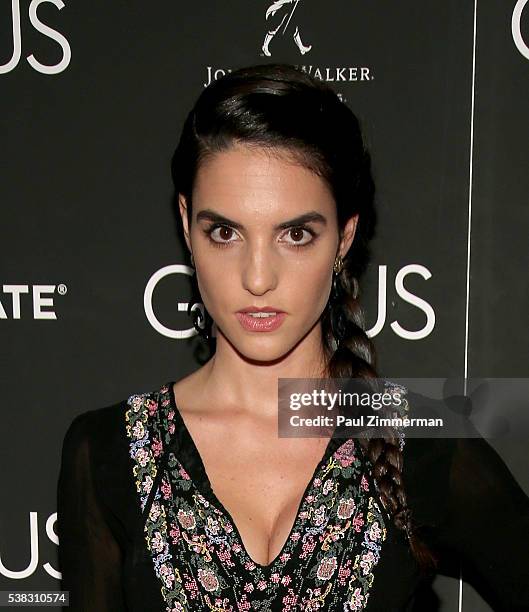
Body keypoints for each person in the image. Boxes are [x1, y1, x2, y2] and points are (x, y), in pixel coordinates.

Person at [56, 63, 529, 611]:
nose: (258, 278)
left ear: (344, 237)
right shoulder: (106, 451)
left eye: (296, 234)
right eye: (225, 232)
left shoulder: (423, 445)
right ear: (187, 224)